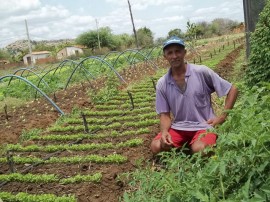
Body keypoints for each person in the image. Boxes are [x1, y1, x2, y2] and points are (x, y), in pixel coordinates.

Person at [150, 36, 238, 155]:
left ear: (184, 52)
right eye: (170, 53)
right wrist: (165, 131)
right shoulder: (162, 83)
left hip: (204, 126)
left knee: (200, 149)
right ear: (165, 57)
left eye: (178, 51)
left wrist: (222, 117)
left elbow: (232, 89)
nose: (174, 56)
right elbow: (164, 114)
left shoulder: (201, 72)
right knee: (156, 146)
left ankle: (193, 146)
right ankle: (186, 146)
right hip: (179, 127)